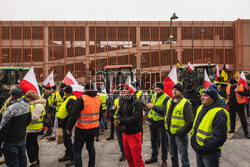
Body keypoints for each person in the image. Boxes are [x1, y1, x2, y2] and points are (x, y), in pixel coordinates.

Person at [191, 87, 230, 167]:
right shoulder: (201, 108)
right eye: (202, 95)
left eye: (205, 96)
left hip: (210, 153)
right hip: (199, 149)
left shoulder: (219, 113)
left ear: (212, 99)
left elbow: (220, 137)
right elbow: (195, 128)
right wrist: (193, 141)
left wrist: (204, 148)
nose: (202, 97)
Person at [66, 83, 102, 167]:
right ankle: (91, 165)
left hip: (82, 129)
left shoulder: (81, 99)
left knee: (77, 150)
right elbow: (100, 115)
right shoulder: (98, 99)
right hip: (93, 128)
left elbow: (74, 115)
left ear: (84, 89)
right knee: (91, 148)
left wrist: (69, 128)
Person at [114, 84, 144, 167]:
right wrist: (118, 119)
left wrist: (121, 121)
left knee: (137, 160)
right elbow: (119, 112)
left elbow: (136, 118)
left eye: (125, 89)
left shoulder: (136, 102)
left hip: (133, 134)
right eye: (122, 89)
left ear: (131, 91)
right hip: (125, 133)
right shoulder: (123, 100)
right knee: (129, 157)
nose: (122, 91)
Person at [0, 88, 31, 167]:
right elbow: (28, 121)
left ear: (12, 96)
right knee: (22, 159)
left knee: (13, 162)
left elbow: (3, 127)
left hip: (10, 141)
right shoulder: (27, 105)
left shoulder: (10, 109)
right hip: (22, 137)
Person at [165, 83, 193, 167]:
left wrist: (181, 132)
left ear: (181, 92)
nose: (174, 91)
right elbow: (166, 115)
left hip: (180, 135)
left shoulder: (186, 103)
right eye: (173, 89)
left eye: (176, 90)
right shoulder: (170, 101)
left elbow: (190, 122)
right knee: (173, 155)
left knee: (183, 157)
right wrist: (167, 128)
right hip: (170, 133)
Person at [145, 82, 170, 167]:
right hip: (152, 122)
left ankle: (164, 160)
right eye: (155, 87)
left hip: (161, 123)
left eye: (158, 88)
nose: (156, 89)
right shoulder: (153, 95)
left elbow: (164, 111)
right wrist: (148, 109)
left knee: (164, 143)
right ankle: (154, 157)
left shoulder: (166, 98)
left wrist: (153, 107)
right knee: (153, 141)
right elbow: (149, 105)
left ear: (162, 89)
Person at [25, 90, 46, 167]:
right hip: (32, 127)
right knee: (33, 143)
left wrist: (24, 117)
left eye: (28, 98)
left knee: (29, 145)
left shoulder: (38, 105)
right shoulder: (34, 104)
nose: (27, 99)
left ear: (31, 98)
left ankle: (33, 162)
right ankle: (36, 160)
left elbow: (34, 118)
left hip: (34, 128)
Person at [57, 85, 76, 166]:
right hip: (64, 124)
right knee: (66, 141)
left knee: (68, 141)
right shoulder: (68, 98)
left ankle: (73, 158)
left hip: (66, 124)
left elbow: (71, 114)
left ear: (66, 93)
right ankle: (68, 155)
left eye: (64, 92)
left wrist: (64, 121)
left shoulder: (71, 100)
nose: (63, 93)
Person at [110, 87, 126, 161]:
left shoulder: (128, 101)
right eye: (121, 92)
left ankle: (127, 152)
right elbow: (113, 111)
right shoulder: (116, 100)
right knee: (120, 139)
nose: (121, 93)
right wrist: (112, 109)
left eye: (123, 92)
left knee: (126, 139)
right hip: (117, 123)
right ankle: (123, 153)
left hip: (125, 123)